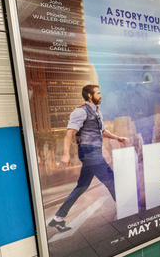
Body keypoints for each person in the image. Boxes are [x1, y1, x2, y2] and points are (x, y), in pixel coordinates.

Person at [49, 84, 129, 232]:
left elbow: (102, 131)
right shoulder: (80, 112)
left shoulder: (97, 111)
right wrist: (66, 154)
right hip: (89, 152)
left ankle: (58, 218)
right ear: (90, 96)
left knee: (82, 186)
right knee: (110, 179)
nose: (101, 95)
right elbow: (69, 134)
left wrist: (118, 138)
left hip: (94, 152)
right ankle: (127, 210)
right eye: (98, 93)